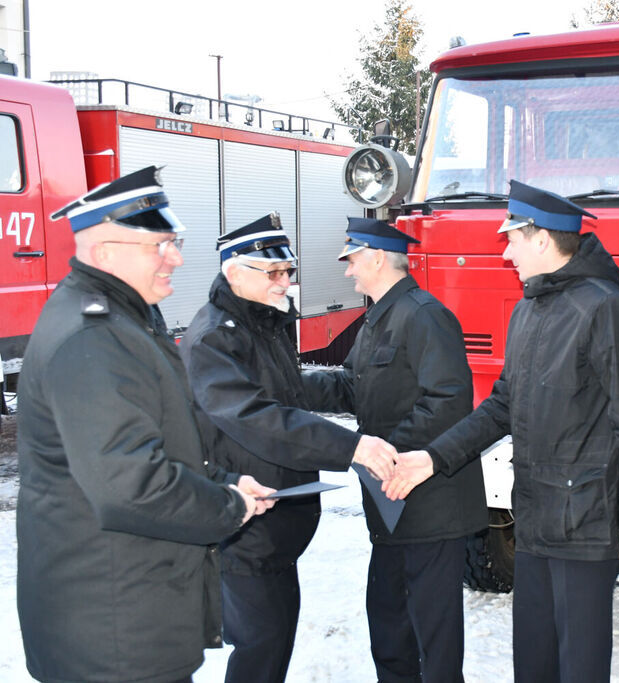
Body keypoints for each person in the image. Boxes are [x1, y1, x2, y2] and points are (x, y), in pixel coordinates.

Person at [387, 180, 619, 683]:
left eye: (512, 238)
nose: (506, 250)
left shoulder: (606, 308)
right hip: (536, 519)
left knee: (577, 666)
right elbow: (500, 407)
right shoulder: (528, 309)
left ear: (542, 240)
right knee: (533, 664)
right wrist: (433, 457)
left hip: (585, 524)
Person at [16, 166, 277, 683]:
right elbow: (131, 487)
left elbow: (154, 444)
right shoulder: (93, 337)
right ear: (105, 252)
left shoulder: (123, 319)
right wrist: (229, 505)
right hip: (111, 636)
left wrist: (226, 482)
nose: (175, 257)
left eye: (173, 242)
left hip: (125, 618)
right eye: (160, 245)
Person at [179, 213, 398, 683]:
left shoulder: (260, 322)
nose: (285, 282)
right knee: (260, 649)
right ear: (235, 272)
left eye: (288, 271)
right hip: (245, 524)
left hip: (276, 524)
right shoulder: (215, 337)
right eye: (273, 272)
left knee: (274, 643)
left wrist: (347, 386)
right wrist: (352, 447)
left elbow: (283, 388)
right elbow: (257, 416)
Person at [330, 216, 488, 682]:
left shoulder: (424, 315)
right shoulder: (379, 319)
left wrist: (382, 451)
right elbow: (348, 387)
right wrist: (287, 385)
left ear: (377, 258)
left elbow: (449, 401)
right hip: (391, 506)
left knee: (432, 640)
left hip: (430, 507)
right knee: (389, 628)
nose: (348, 271)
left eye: (352, 259)